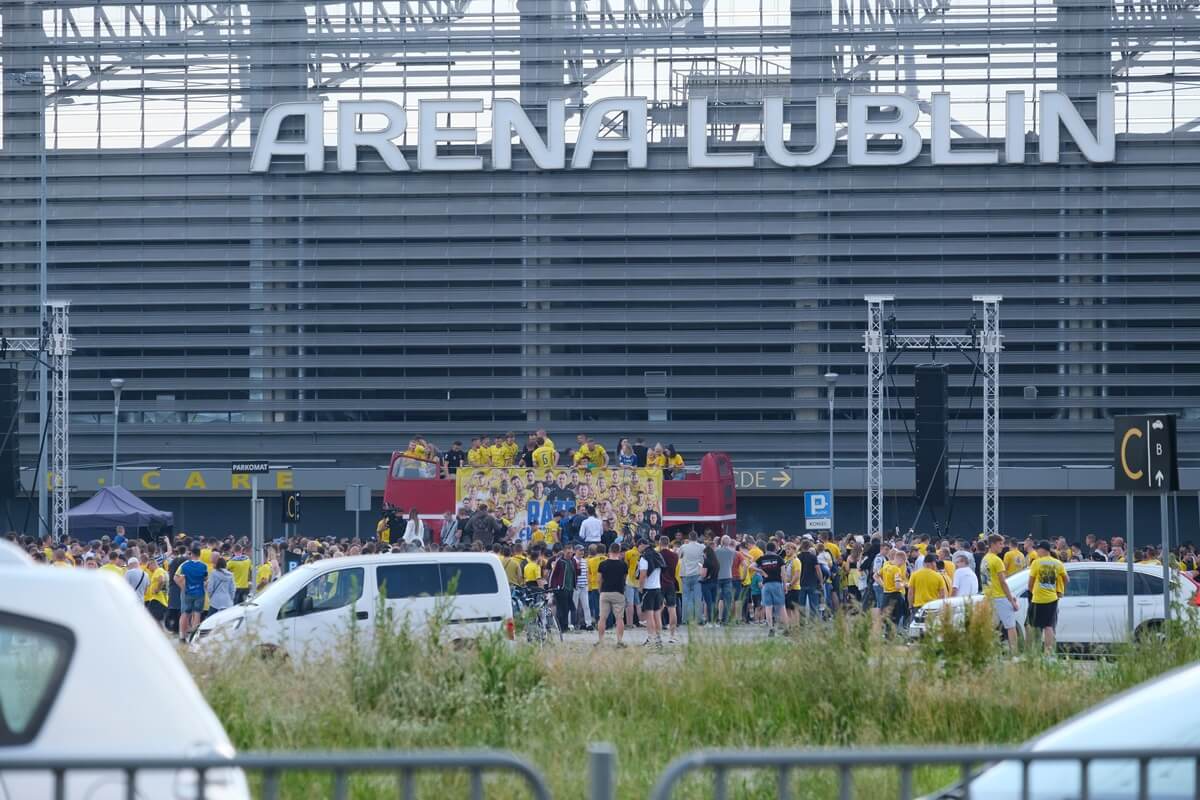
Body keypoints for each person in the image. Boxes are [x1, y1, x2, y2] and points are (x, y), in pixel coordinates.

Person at [982, 533, 1021, 655]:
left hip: (988, 595)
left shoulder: (985, 559)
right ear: (993, 544)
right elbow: (1003, 582)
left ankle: (990, 651)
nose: (1002, 546)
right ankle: (1014, 652)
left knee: (991, 626)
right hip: (1000, 596)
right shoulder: (997, 560)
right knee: (1010, 626)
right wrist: (1011, 600)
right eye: (1000, 544)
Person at [1028, 540, 1068, 656]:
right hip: (1052, 598)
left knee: (1035, 626)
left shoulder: (1036, 563)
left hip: (1038, 599)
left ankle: (1034, 652)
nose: (1037, 551)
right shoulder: (1058, 563)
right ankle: (1048, 652)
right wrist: (1058, 590)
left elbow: (1030, 582)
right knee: (1048, 626)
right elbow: (1066, 579)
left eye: (1038, 549)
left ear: (1043, 550)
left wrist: (1033, 591)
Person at [174, 545, 208, 643]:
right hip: (200, 593)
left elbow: (175, 578)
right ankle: (194, 638)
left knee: (185, 614)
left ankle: (182, 636)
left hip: (187, 593)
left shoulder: (184, 565)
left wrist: (183, 587)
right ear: (199, 554)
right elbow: (205, 579)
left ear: (191, 554)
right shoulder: (203, 566)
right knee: (197, 615)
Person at [596, 544, 628, 647]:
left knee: (602, 618)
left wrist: (600, 590)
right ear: (619, 552)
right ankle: (619, 641)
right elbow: (624, 579)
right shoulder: (623, 565)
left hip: (605, 592)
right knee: (619, 618)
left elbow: (599, 580)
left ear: (609, 551)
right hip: (618, 592)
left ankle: (601, 641)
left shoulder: (602, 564)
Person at [754, 541, 787, 636]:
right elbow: (783, 573)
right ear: (775, 549)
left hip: (766, 585)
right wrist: (785, 585)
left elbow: (751, 566)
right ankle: (786, 628)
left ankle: (771, 628)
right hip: (777, 584)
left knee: (768, 607)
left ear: (766, 549)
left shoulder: (762, 558)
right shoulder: (779, 558)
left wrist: (761, 571)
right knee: (781, 607)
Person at [637, 540, 665, 649]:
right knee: (657, 615)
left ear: (642, 546)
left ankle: (650, 638)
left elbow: (643, 575)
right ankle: (658, 639)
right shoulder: (658, 556)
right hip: (657, 587)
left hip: (648, 589)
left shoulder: (644, 558)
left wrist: (640, 587)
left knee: (649, 616)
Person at [678, 529, 706, 625]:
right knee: (698, 597)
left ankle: (685, 619)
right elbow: (704, 559)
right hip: (697, 574)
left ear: (689, 538)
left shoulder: (683, 547)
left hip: (685, 574)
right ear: (697, 537)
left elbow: (678, 557)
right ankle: (698, 619)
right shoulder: (702, 547)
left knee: (686, 597)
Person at [656, 536, 680, 642]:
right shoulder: (675, 556)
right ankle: (672, 636)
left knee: (658, 610)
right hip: (671, 583)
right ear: (669, 543)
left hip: (659, 583)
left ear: (660, 543)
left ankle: (658, 635)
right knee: (672, 609)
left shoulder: (657, 555)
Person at [715, 536, 736, 624]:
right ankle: (726, 619)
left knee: (717, 599)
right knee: (727, 599)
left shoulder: (716, 551)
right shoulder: (732, 552)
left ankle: (716, 618)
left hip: (718, 576)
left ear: (721, 542)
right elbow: (731, 563)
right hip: (728, 576)